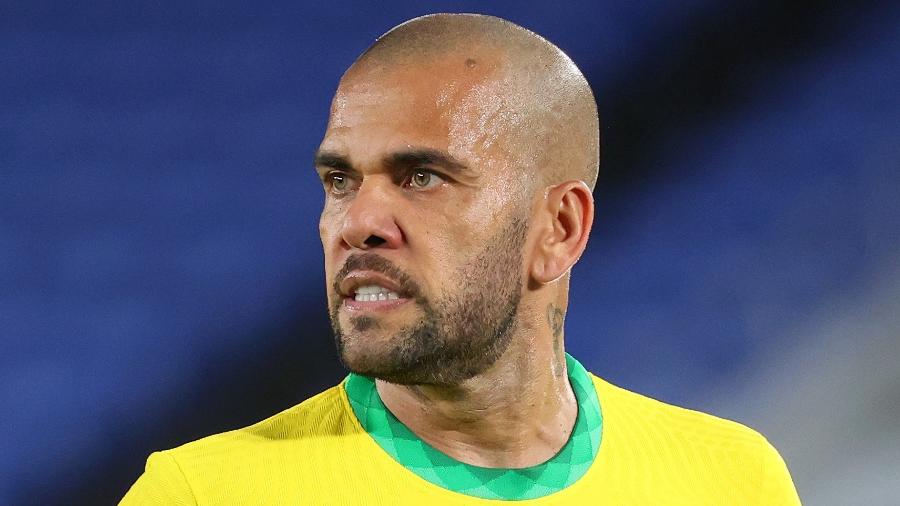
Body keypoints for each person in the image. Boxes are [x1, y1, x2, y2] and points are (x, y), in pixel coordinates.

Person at [121, 13, 801, 505]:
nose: (358, 224)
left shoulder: (731, 481)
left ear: (559, 228)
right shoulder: (204, 494)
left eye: (421, 177)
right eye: (340, 181)